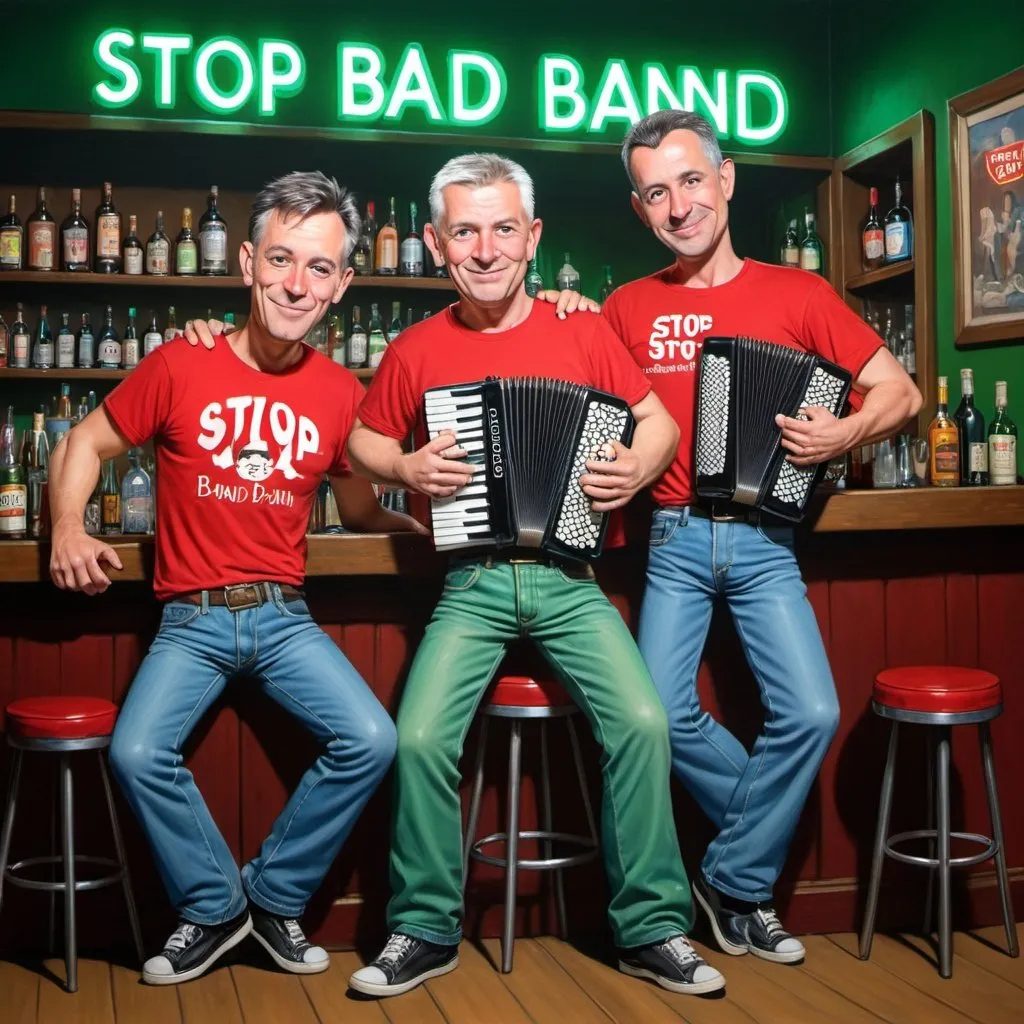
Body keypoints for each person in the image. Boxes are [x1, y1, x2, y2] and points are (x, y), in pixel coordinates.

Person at [344, 153, 725, 998]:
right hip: (470, 584)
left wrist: (635, 468)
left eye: (504, 229)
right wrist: (404, 467)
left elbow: (659, 420)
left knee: (643, 721)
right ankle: (423, 928)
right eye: (466, 232)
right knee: (417, 738)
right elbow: (362, 441)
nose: (486, 249)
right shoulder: (413, 349)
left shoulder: (585, 329)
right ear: (439, 245)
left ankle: (652, 929)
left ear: (533, 237)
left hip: (570, 579)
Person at [47, 171, 422, 986]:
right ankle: (214, 909)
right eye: (282, 260)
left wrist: (424, 530)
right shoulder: (186, 358)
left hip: (285, 618)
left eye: (318, 268)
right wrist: (68, 527)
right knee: (139, 750)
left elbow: (360, 513)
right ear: (248, 262)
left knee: (371, 739)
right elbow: (83, 443)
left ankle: (271, 898)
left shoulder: (338, 392)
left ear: (342, 284)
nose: (296, 283)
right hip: (192, 618)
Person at [594, 110, 922, 964]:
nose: (678, 206)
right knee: (661, 714)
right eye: (656, 193)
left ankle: (732, 880)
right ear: (641, 210)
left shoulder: (800, 294)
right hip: (669, 536)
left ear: (726, 180)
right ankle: (747, 884)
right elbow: (580, 399)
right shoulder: (623, 307)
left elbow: (902, 393)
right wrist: (560, 308)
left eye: (691, 181)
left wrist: (845, 434)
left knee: (811, 711)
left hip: (767, 538)